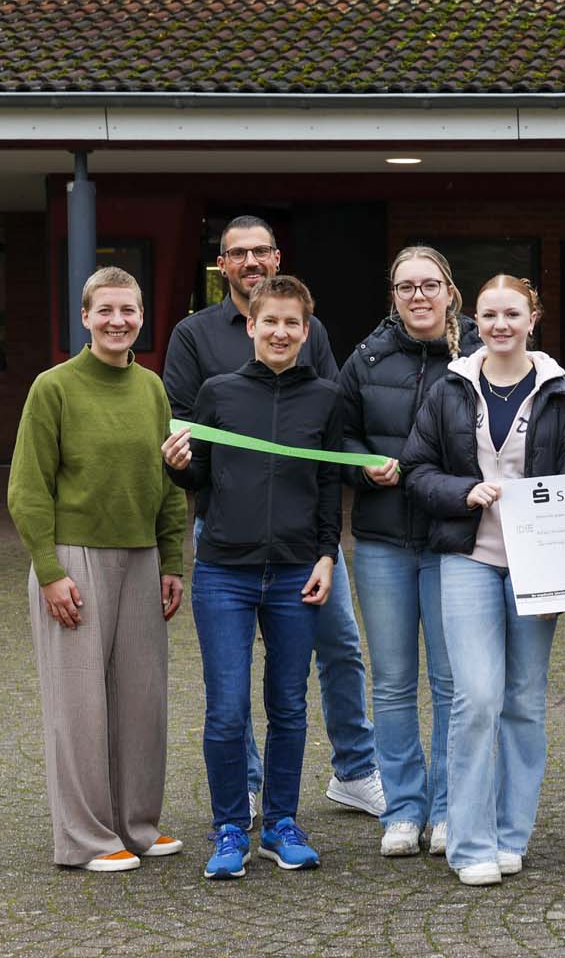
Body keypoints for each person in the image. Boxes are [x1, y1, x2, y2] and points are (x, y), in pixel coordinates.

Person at [163, 216, 382, 821]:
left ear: (277, 256)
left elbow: (324, 435)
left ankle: (356, 770)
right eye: (238, 253)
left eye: (261, 250)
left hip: (304, 538)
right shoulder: (194, 335)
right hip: (227, 531)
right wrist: (182, 463)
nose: (250, 260)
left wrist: (348, 495)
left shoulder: (309, 334)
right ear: (223, 266)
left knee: (340, 647)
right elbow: (186, 429)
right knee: (231, 688)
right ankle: (249, 786)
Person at [402, 274, 565, 886]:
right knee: (476, 698)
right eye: (488, 315)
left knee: (525, 702)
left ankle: (512, 834)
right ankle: (469, 840)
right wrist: (462, 491)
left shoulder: (560, 392)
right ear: (473, 320)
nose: (500, 325)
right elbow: (415, 469)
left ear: (533, 317)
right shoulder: (452, 388)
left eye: (512, 314)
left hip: (538, 565)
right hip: (467, 556)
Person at [162, 275, 343, 879]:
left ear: (307, 330)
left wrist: (327, 556)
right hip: (224, 572)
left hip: (297, 571)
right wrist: (179, 468)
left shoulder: (325, 397)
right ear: (252, 326)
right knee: (227, 711)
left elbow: (327, 486)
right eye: (271, 322)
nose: (282, 332)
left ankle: (282, 823)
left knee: (289, 706)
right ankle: (230, 828)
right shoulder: (218, 393)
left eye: (294, 323)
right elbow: (201, 480)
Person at [8, 266, 187, 872]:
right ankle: (84, 839)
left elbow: (167, 485)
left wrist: (171, 559)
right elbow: (27, 488)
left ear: (143, 317)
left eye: (129, 311)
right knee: (79, 706)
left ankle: (136, 826)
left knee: (143, 701)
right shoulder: (52, 387)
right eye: (105, 310)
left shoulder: (153, 388)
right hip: (74, 559)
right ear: (84, 317)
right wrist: (49, 568)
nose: (118, 321)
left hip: (141, 559)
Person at [339, 246, 481, 859]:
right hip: (382, 540)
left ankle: (451, 807)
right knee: (394, 682)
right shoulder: (366, 358)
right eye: (405, 288)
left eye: (429, 285)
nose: (418, 297)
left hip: (453, 539)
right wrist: (361, 463)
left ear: (451, 290)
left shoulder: (479, 357)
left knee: (453, 683)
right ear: (392, 297)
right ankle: (403, 807)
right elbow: (338, 433)